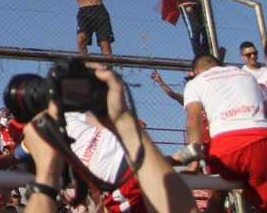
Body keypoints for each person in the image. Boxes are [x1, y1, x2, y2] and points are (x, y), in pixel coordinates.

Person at [22, 63, 196, 213]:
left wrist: (45, 174)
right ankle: (176, 158)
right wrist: (122, 119)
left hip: (120, 169)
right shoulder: (42, 126)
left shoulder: (67, 116)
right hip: (122, 170)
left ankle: (176, 158)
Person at [183, 54, 267, 210]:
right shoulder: (246, 75)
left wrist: (193, 162)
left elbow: (193, 119)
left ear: (194, 72)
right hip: (260, 142)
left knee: (217, 193)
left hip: (224, 150)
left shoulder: (196, 83)